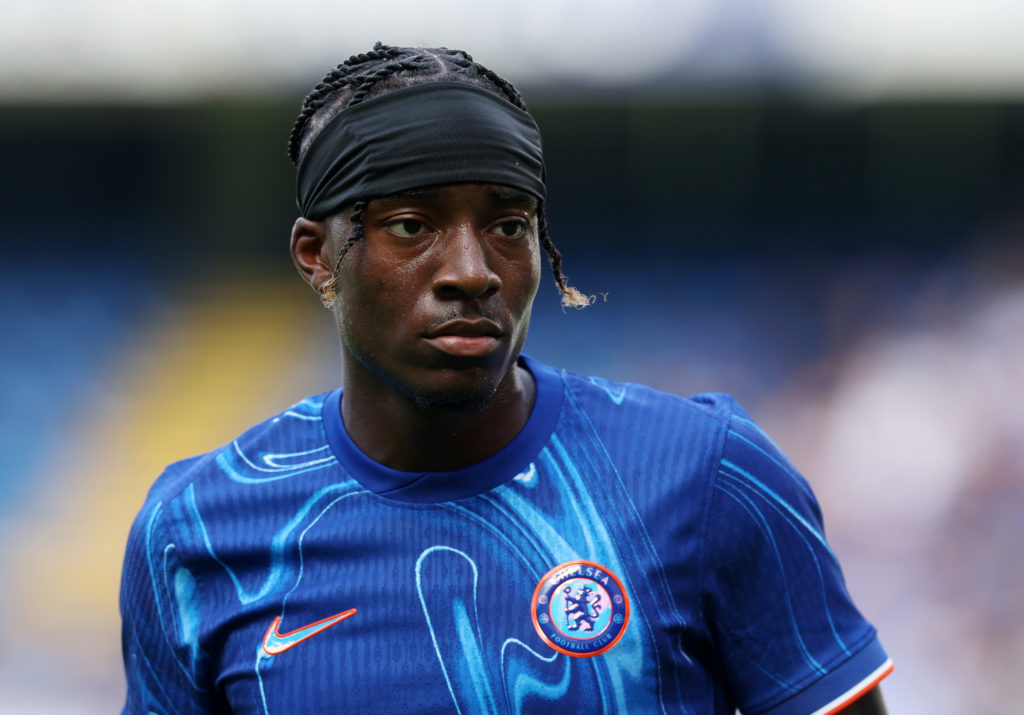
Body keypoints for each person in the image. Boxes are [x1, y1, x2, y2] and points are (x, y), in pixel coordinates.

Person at [120, 43, 893, 714]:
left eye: (508, 225)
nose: (471, 270)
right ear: (317, 257)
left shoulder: (706, 474)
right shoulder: (195, 531)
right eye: (411, 226)